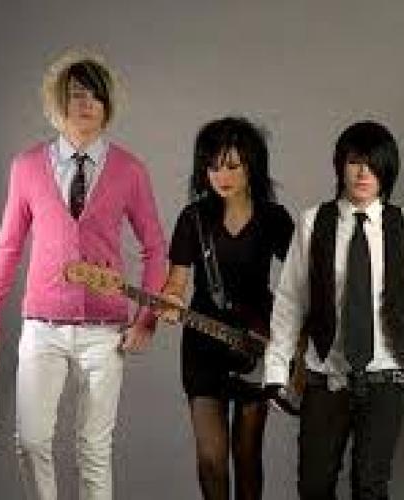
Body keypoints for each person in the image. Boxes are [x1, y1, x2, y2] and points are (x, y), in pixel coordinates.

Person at [0, 50, 167, 500]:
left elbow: (156, 248)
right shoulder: (26, 168)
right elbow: (8, 246)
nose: (86, 103)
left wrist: (146, 319)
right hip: (42, 327)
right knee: (31, 441)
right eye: (77, 94)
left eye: (95, 96)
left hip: (106, 332)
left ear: (107, 106)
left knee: (94, 451)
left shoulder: (130, 170)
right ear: (58, 102)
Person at [264, 120, 404, 500]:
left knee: (370, 486)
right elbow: (291, 301)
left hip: (385, 376)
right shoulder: (314, 222)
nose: (363, 173)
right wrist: (276, 369)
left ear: (387, 171)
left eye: (373, 164)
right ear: (340, 166)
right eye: (354, 162)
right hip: (326, 375)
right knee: (314, 485)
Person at [159, 117, 294, 500]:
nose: (222, 176)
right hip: (203, 346)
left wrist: (292, 341)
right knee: (211, 459)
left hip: (257, 342)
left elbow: (301, 285)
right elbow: (176, 283)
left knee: (247, 455)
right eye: (214, 167)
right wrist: (170, 302)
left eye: (232, 165)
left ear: (253, 166)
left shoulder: (274, 218)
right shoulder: (193, 218)